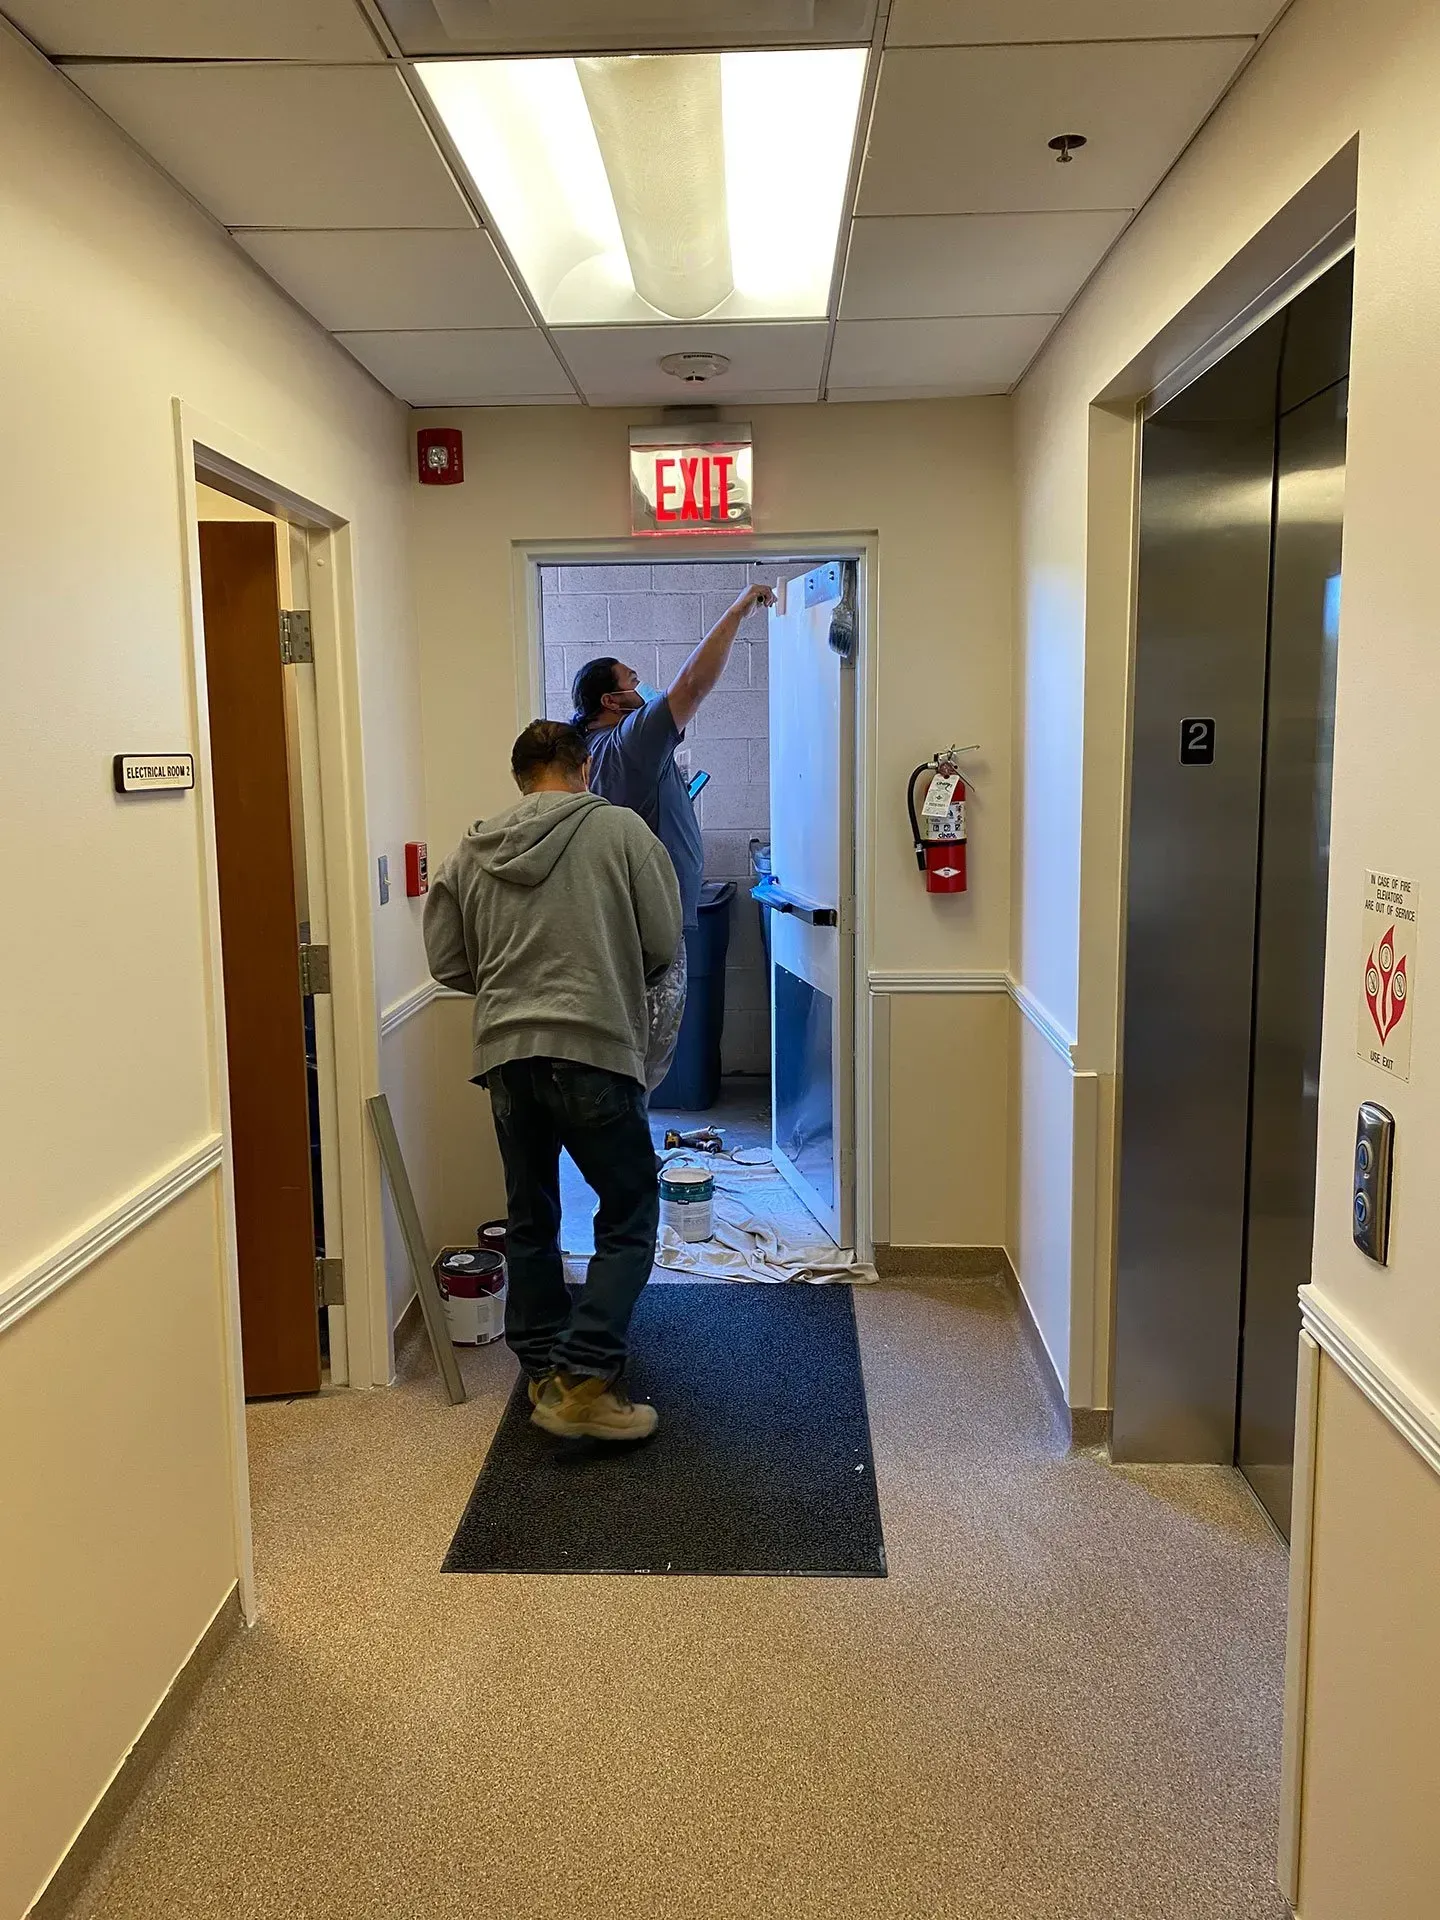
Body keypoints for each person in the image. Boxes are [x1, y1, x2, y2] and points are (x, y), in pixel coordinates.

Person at [423, 719, 682, 1442]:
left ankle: (541, 1366)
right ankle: (582, 1379)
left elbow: (447, 962)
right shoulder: (621, 832)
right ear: (584, 767)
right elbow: (662, 942)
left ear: (518, 778)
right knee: (629, 1211)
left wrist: (511, 982)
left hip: (507, 1053)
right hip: (594, 1046)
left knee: (530, 1215)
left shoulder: (474, 849)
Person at [571, 581, 775, 1085]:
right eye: (633, 680)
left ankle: (630, 1152)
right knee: (643, 1058)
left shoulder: (599, 752)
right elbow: (691, 686)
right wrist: (736, 610)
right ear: (611, 700)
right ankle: (630, 1159)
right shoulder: (625, 740)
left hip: (634, 919)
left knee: (635, 1055)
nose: (643, 689)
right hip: (650, 926)